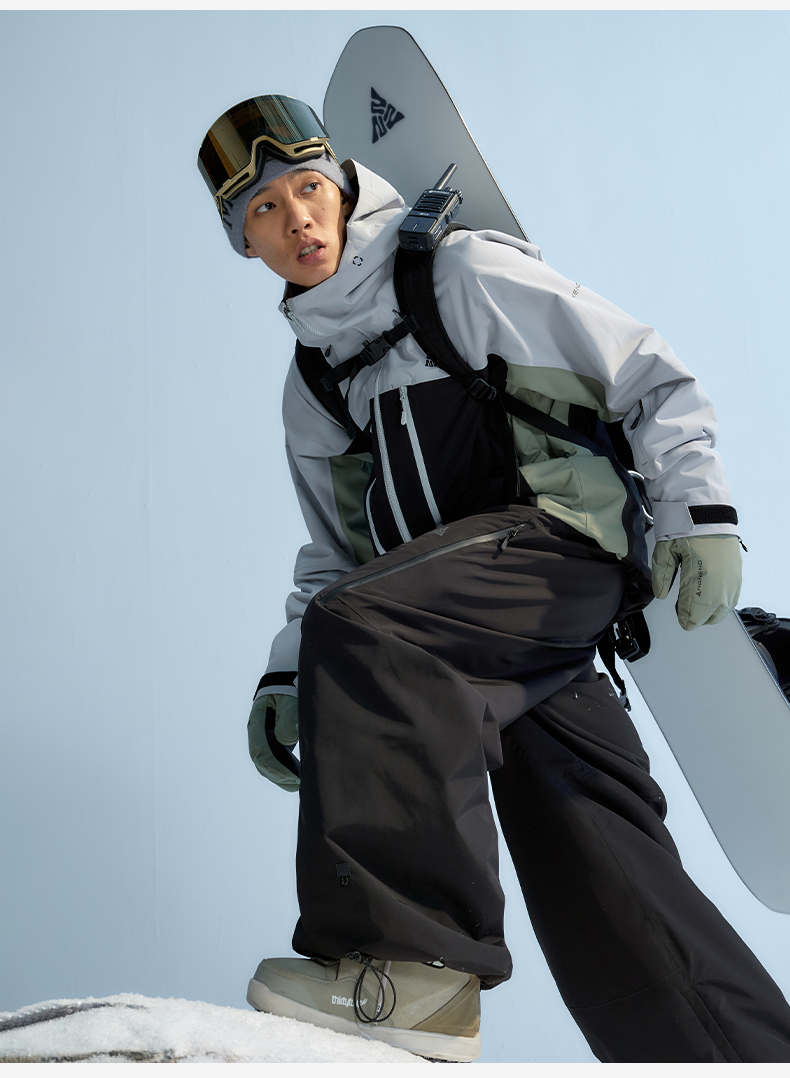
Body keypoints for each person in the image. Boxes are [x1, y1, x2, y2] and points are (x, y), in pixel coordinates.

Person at [198, 95, 790, 1063]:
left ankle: (411, 966)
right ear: (244, 243)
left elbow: (647, 374)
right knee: (598, 864)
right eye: (263, 209)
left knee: (366, 629)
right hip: (461, 630)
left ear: (341, 185)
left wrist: (700, 514)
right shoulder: (314, 385)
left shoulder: (460, 273)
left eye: (307, 188)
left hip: (556, 549)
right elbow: (336, 552)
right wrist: (285, 669)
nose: (296, 218)